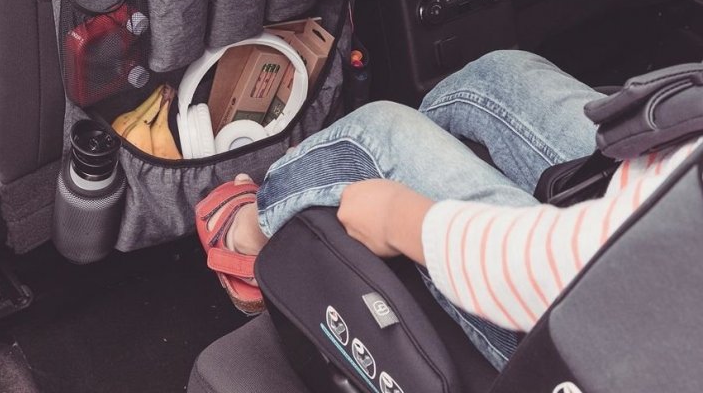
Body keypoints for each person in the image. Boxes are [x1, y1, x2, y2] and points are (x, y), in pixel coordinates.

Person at [195, 50, 702, 370]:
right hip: (661, 189)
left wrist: (405, 220)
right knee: (499, 76)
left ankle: (252, 234)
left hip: (604, 337)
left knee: (379, 135)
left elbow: (587, 282)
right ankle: (370, 172)